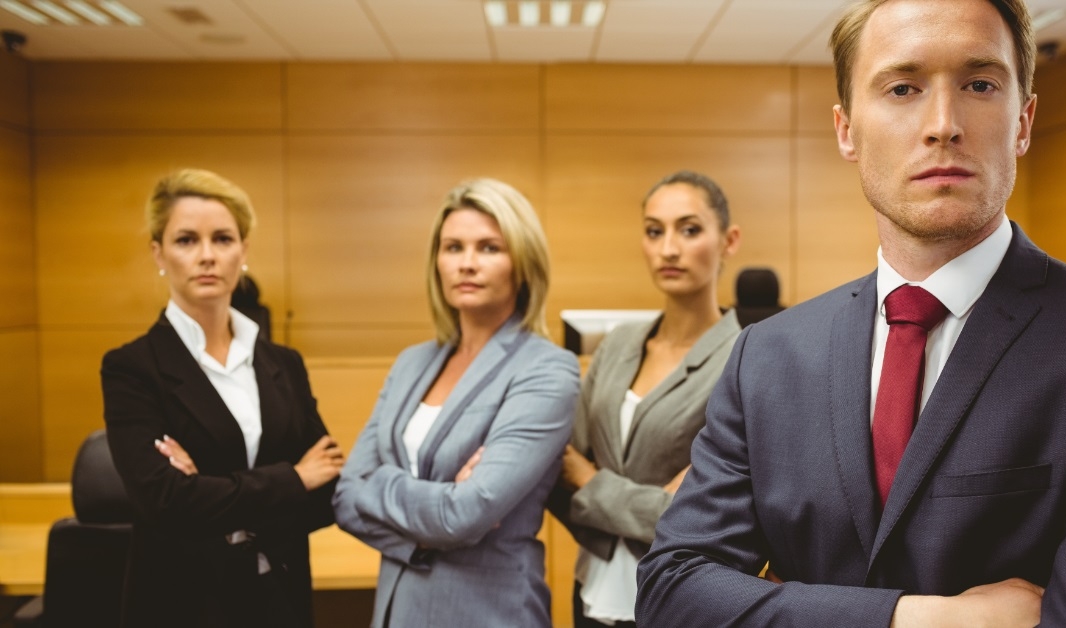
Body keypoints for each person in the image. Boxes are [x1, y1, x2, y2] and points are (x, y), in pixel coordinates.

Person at [636, 0, 1066, 626]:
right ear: (847, 128)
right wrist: (921, 619)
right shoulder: (767, 356)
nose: (942, 124)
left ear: (1024, 120)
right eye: (902, 88)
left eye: (979, 85)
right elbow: (672, 590)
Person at [101, 169, 345, 628]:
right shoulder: (132, 368)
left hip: (281, 598)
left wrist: (208, 489)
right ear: (159, 253)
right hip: (184, 604)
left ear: (244, 251)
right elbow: (165, 502)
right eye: (187, 240)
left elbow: (328, 488)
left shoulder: (283, 363)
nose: (207, 256)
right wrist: (293, 479)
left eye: (223, 239)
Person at [333, 178, 580, 627]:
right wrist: (438, 510)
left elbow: (465, 516)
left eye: (489, 248)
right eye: (453, 248)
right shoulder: (412, 363)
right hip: (396, 611)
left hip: (488, 613)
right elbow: (347, 497)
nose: (467, 264)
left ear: (522, 264)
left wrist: (382, 484)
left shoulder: (546, 369)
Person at [550, 171, 742, 627]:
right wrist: (649, 503)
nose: (668, 249)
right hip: (592, 592)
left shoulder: (745, 357)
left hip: (682, 601)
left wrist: (591, 481)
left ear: (729, 240)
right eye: (654, 231)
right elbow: (561, 471)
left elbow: (705, 515)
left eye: (689, 229)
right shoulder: (616, 345)